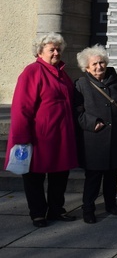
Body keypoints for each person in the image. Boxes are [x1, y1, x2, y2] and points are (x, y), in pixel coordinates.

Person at [6, 33, 78, 227]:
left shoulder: (62, 73)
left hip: (61, 136)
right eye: (51, 49)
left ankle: (56, 209)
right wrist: (22, 136)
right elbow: (22, 107)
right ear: (40, 52)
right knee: (34, 177)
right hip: (39, 136)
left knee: (60, 174)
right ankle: (37, 213)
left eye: (58, 49)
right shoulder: (32, 71)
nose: (56, 53)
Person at [74, 45, 117, 224]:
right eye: (95, 64)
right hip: (94, 139)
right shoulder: (80, 85)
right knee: (93, 176)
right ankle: (88, 208)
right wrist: (93, 123)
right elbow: (78, 113)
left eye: (102, 63)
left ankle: (110, 204)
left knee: (112, 174)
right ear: (86, 68)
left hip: (116, 136)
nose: (99, 67)